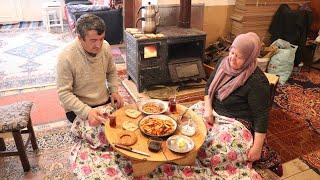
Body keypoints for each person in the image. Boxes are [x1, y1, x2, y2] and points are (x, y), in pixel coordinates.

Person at [203, 32, 282, 176]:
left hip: (236, 122)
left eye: (239, 56)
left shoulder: (257, 81)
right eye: (232, 52)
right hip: (212, 112)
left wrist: (257, 148)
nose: (232, 58)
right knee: (187, 127)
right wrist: (208, 110)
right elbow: (208, 88)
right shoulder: (223, 62)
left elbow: (261, 117)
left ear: (249, 58)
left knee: (214, 150)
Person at [57, 13, 124, 126]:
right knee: (103, 136)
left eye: (101, 39)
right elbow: (64, 94)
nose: (98, 45)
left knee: (125, 124)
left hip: (103, 101)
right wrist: (87, 112)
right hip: (78, 108)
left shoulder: (105, 46)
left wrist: (114, 91)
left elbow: (111, 71)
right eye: (93, 40)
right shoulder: (66, 56)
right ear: (79, 38)